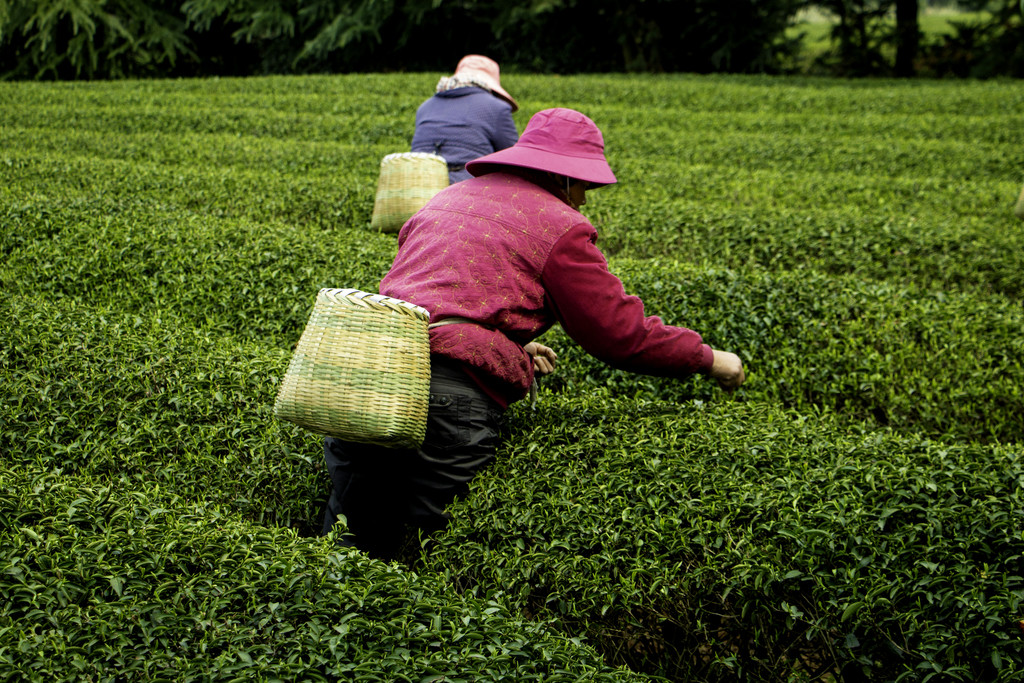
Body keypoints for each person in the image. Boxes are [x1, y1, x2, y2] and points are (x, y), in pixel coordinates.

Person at [321, 108, 746, 561]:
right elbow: (618, 333)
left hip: (373, 373)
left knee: (348, 531)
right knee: (432, 549)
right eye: (583, 186)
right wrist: (708, 358)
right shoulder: (560, 227)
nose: (583, 200)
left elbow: (437, 294)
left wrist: (506, 342)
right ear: (561, 178)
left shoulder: (448, 198)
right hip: (448, 396)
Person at [411, 54, 519, 183]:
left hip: (418, 185)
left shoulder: (424, 107)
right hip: (467, 190)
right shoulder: (498, 108)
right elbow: (514, 161)